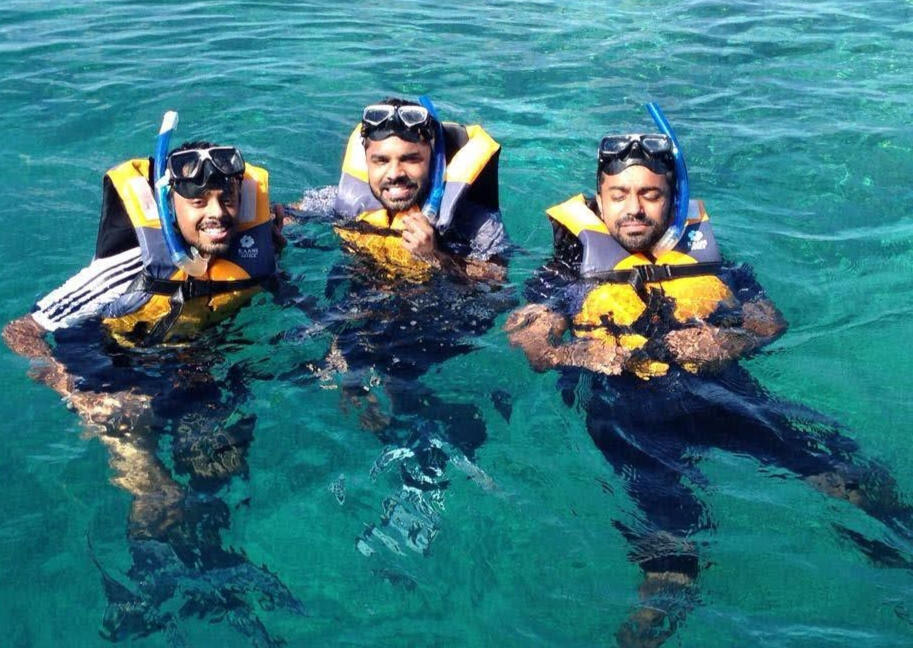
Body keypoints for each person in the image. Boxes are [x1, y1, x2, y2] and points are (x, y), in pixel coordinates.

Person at [506, 106, 912, 647]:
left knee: (849, 478)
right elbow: (531, 340)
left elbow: (769, 321)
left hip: (723, 394)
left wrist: (729, 342)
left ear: (672, 199)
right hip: (629, 418)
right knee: (671, 558)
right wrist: (585, 355)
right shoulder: (565, 273)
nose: (634, 208)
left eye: (649, 194)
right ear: (599, 201)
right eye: (619, 194)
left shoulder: (716, 265)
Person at [3, 113, 302, 644]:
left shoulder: (258, 248)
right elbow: (21, 330)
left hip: (191, 362)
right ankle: (145, 589)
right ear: (170, 203)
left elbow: (315, 221)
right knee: (157, 489)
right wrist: (72, 388)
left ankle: (215, 570)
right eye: (198, 202)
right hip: (111, 364)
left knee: (219, 465)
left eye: (226, 198)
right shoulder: (130, 267)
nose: (216, 213)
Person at [279, 96, 512, 560]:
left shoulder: (476, 223)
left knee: (401, 382)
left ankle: (426, 479)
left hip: (437, 326)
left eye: (410, 159)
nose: (395, 174)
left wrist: (437, 256)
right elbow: (285, 215)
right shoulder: (343, 201)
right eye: (381, 160)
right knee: (299, 364)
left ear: (434, 160)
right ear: (365, 159)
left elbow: (500, 289)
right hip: (364, 315)